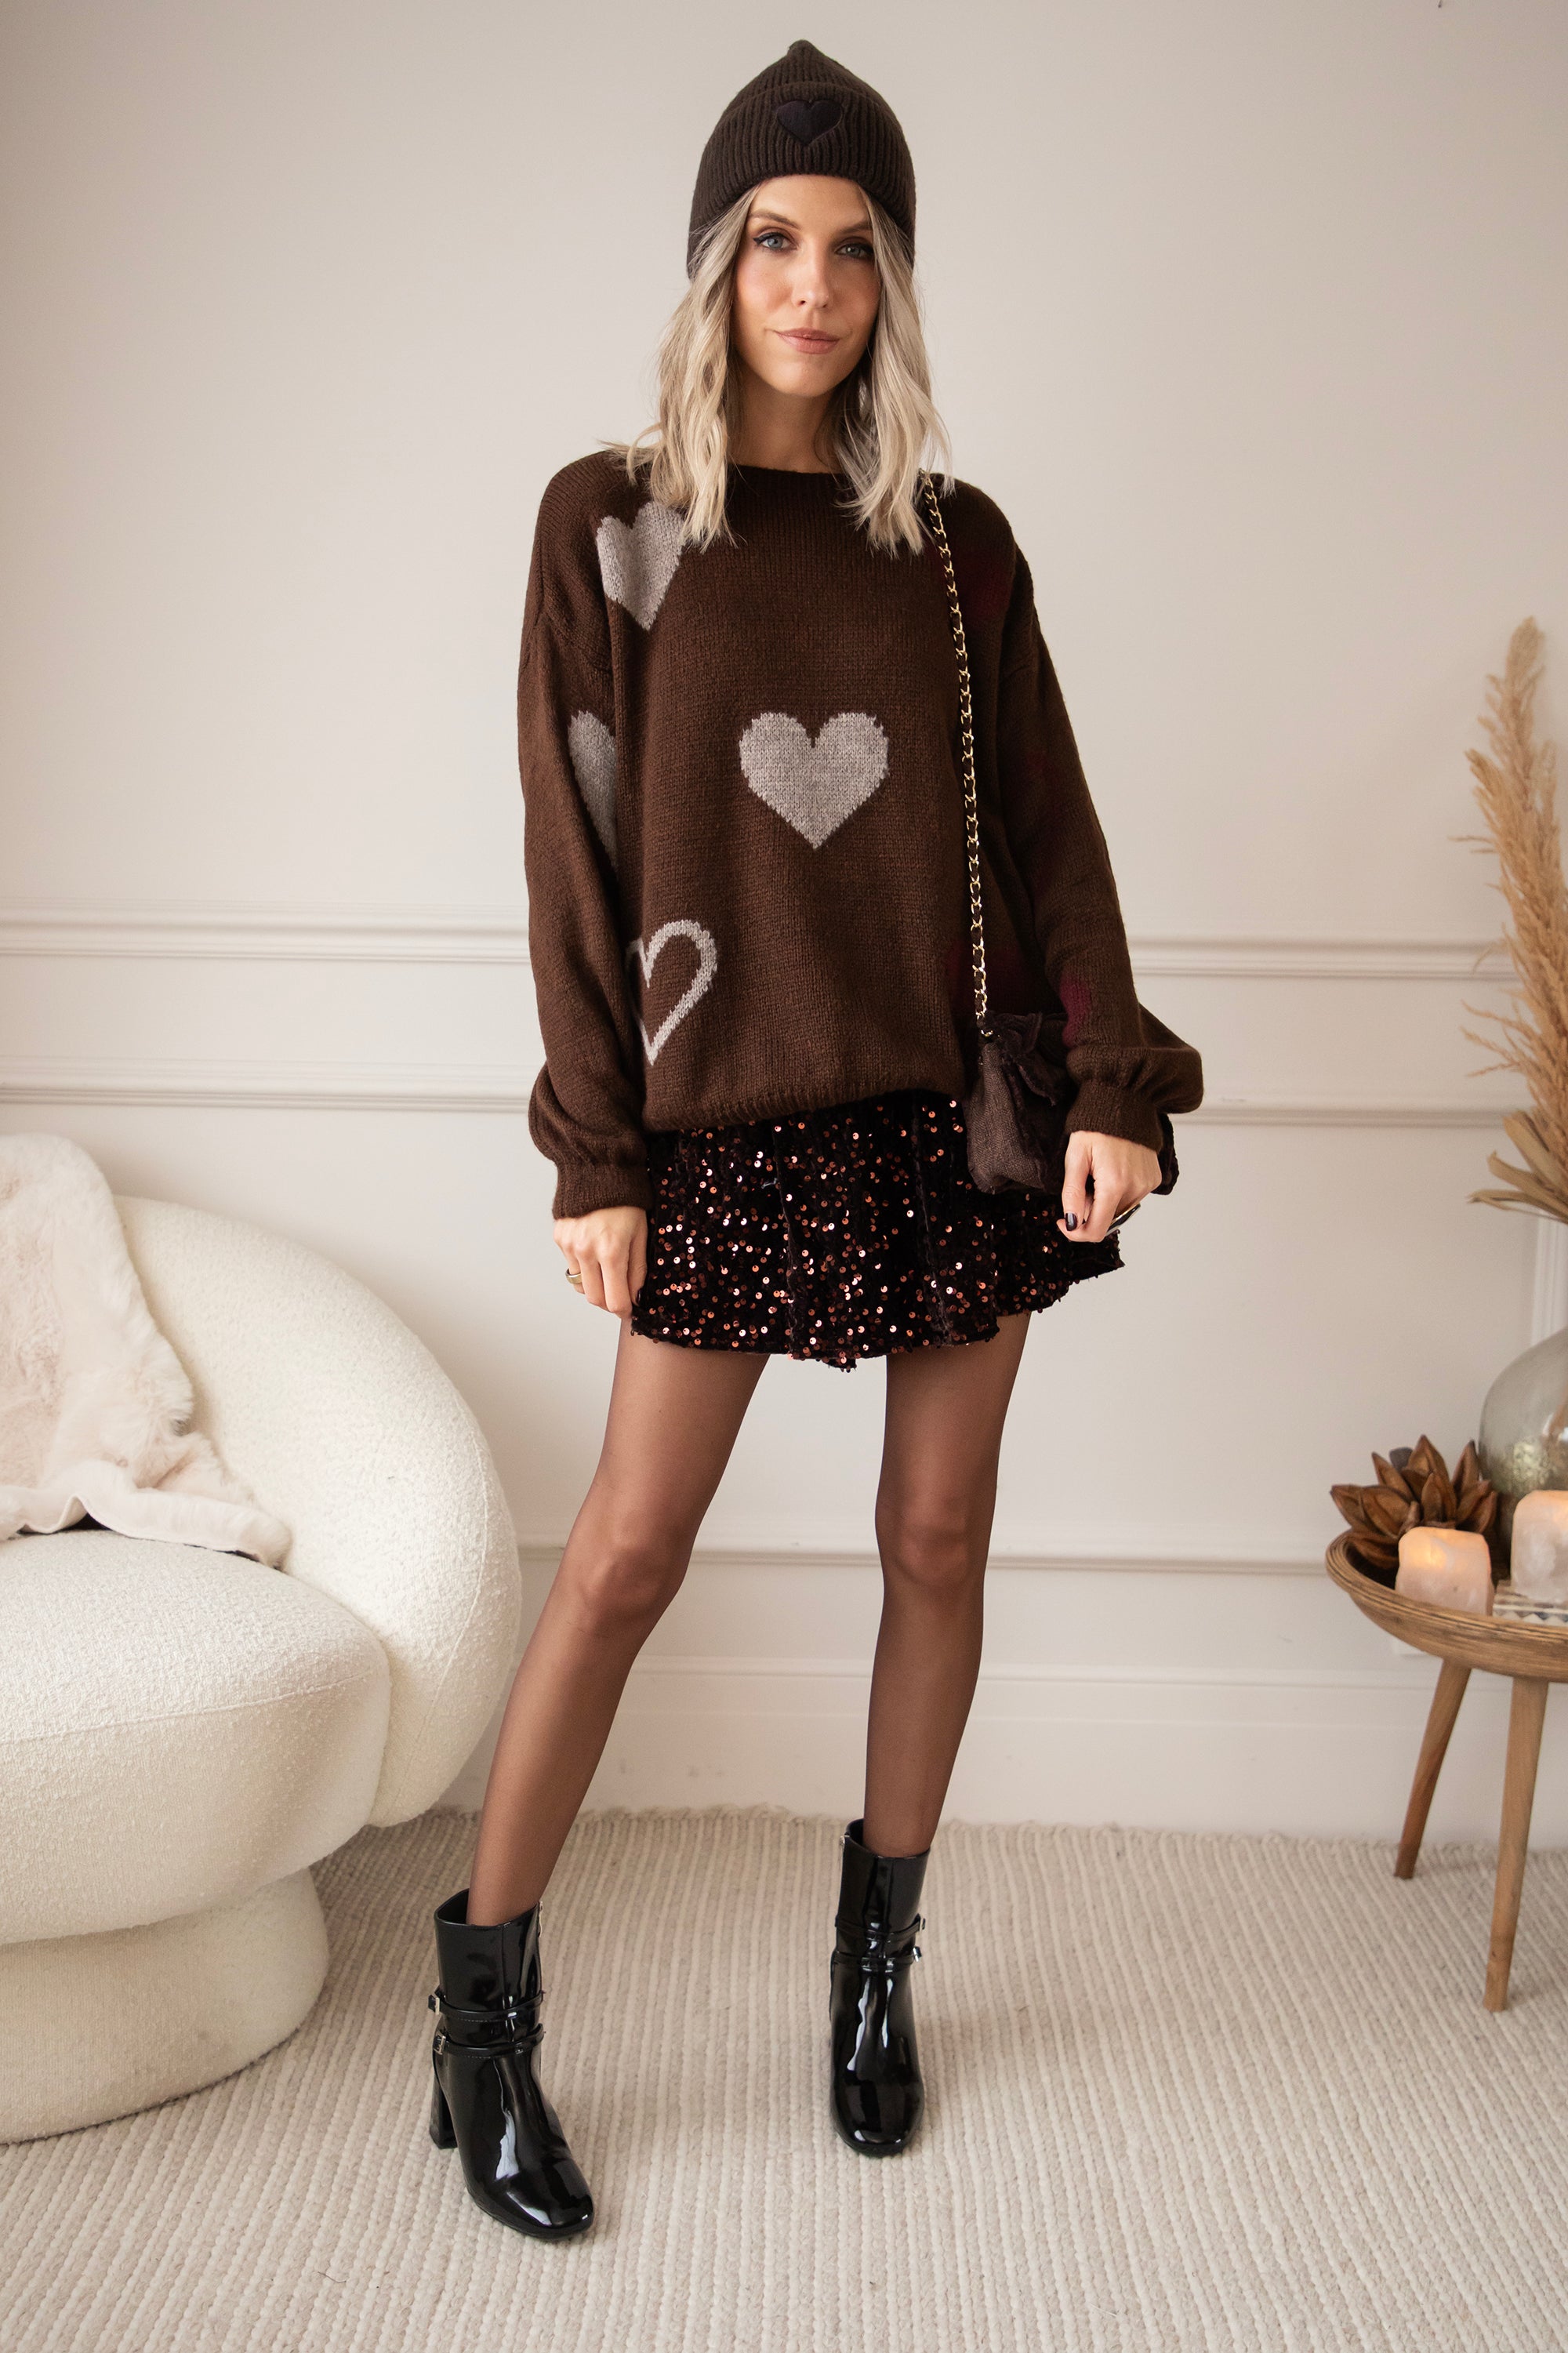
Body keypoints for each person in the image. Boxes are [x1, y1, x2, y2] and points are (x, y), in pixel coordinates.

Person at [424, 38, 1203, 2241]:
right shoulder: (609, 526)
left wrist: (1114, 1087)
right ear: (716, 262)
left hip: (953, 1113)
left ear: (896, 282)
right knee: (626, 1555)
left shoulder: (956, 548)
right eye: (775, 239)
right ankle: (481, 2019)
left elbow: (1053, 835)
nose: (814, 284)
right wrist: (597, 1151)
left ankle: (877, 1976)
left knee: (939, 1538)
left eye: (857, 249)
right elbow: (573, 853)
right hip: (720, 1119)